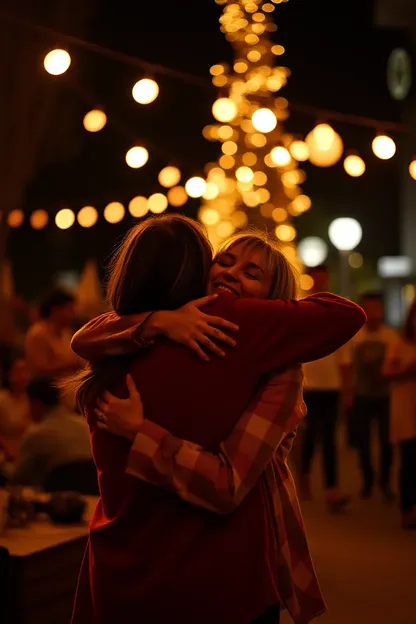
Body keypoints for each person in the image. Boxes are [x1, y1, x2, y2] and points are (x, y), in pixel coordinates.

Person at [68, 215, 365, 624]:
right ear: (199, 269)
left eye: (251, 272)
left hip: (118, 566)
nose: (230, 274)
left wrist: (157, 325)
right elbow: (344, 313)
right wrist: (161, 320)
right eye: (223, 261)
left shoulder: (112, 356)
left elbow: (82, 338)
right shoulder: (206, 326)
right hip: (222, 579)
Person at [300, 265, 349, 511]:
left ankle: (332, 489)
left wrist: (346, 389)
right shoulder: (301, 307)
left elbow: (344, 358)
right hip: (309, 387)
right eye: (317, 276)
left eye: (324, 276)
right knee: (309, 437)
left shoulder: (336, 308)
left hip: (331, 387)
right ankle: (305, 479)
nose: (321, 280)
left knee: (330, 439)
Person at [342, 292, 398, 500]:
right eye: (369, 308)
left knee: (387, 442)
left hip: (386, 396)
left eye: (376, 308)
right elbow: (348, 367)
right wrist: (347, 394)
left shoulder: (391, 336)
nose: (373, 313)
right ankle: (367, 482)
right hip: (362, 396)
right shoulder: (355, 337)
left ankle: (384, 482)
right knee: (363, 442)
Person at [13, 378, 92, 488]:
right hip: (94, 495)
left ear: (36, 404)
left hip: (56, 499)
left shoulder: (37, 433)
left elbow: (19, 477)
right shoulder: (84, 424)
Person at [382, 300, 416, 529]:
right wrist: (407, 370)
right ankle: (407, 509)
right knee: (409, 460)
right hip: (407, 408)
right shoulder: (400, 344)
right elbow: (387, 371)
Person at [25, 289, 82, 380]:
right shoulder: (37, 333)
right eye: (69, 309)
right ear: (55, 310)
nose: (73, 314)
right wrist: (70, 364)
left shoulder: (66, 333)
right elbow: (38, 369)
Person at [0, 352, 31, 462]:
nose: (23, 376)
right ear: (9, 374)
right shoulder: (2, 399)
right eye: (18, 371)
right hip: (7, 451)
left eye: (25, 371)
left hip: (29, 450)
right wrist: (7, 448)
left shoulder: (32, 400)